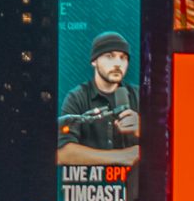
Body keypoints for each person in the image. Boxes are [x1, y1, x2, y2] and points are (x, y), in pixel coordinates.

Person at [55, 31, 140, 178]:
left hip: (133, 195)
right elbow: (62, 153)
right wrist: (124, 156)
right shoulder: (77, 97)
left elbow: (169, 143)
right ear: (94, 61)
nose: (118, 63)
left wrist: (143, 129)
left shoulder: (140, 95)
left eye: (123, 58)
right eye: (110, 56)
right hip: (90, 192)